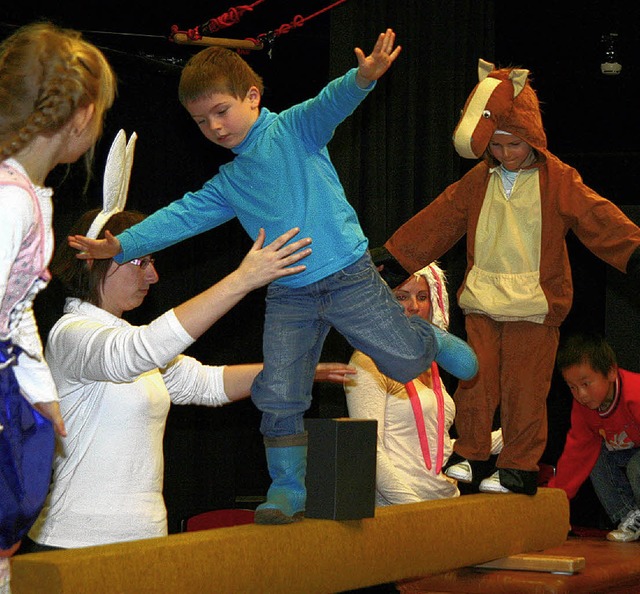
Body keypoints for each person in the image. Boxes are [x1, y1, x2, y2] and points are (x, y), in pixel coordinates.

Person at [66, 29, 478, 524]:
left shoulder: (293, 130)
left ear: (253, 97)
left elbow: (330, 103)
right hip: (288, 294)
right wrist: (120, 245)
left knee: (406, 362)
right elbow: (180, 217)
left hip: (347, 275)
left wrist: (363, 78)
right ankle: (288, 485)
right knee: (280, 390)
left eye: (222, 111)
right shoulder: (229, 182)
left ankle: (426, 338)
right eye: (201, 121)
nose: (215, 127)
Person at [374, 58, 640, 496]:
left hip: (534, 309)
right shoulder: (479, 180)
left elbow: (598, 217)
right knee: (474, 380)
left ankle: (518, 465)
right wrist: (399, 256)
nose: (502, 154)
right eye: (494, 147)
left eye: (512, 145)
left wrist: (632, 251)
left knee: (525, 390)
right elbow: (440, 219)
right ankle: (473, 454)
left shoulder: (558, 180)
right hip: (482, 300)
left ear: (532, 137)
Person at [24, 201, 356, 550]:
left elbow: (206, 384)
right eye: (140, 261)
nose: (152, 276)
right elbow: (139, 350)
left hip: (145, 537)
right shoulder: (72, 334)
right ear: (92, 260)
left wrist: (295, 373)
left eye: (151, 261)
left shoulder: (129, 340)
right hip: (73, 541)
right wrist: (240, 281)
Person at [0, 20, 116, 589]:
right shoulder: (10, 202)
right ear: (82, 116)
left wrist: (41, 392)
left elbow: (14, 309)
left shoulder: (23, 194)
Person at [344, 263, 502, 505]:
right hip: (400, 511)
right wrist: (415, 510)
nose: (414, 306)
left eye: (423, 297)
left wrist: (504, 437)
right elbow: (370, 452)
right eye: (401, 296)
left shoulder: (434, 364)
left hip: (447, 503)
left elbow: (432, 448)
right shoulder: (367, 361)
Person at [549, 332, 640, 543]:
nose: (580, 394)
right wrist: (554, 502)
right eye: (572, 387)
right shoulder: (583, 409)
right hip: (627, 450)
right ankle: (630, 516)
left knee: (637, 466)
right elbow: (576, 455)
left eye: (585, 384)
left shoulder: (635, 393)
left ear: (610, 372)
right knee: (593, 457)